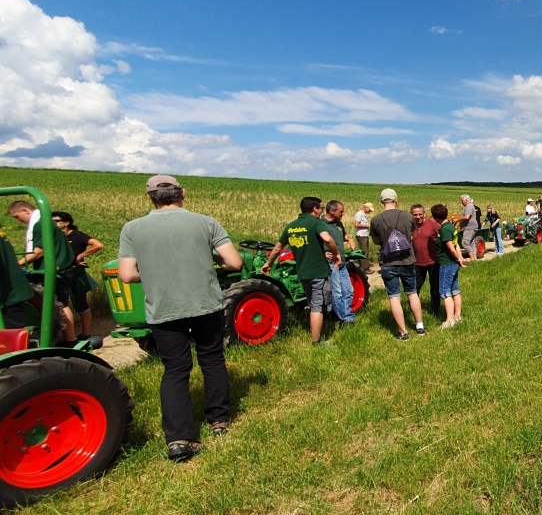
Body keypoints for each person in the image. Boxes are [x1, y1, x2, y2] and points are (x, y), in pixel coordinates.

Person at [117, 175, 243, 462]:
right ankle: (219, 421)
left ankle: (179, 439)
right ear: (182, 194)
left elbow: (126, 275)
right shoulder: (206, 222)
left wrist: (151, 274)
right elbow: (234, 262)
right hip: (204, 303)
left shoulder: (133, 228)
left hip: (163, 307)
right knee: (211, 359)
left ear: (149, 198)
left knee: (175, 369)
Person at [263, 196, 341, 346]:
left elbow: (278, 247)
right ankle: (316, 341)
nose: (321, 212)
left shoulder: (291, 226)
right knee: (317, 307)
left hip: (302, 272)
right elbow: (328, 239)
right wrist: (336, 254)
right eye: (321, 208)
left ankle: (315, 333)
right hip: (317, 271)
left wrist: (269, 264)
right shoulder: (316, 223)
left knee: (312, 303)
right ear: (314, 209)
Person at [7, 200, 77, 344]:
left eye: (17, 216)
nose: (17, 220)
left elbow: (38, 252)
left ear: (26, 211)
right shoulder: (45, 223)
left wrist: (15, 265)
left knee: (60, 305)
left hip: (56, 268)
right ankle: (68, 338)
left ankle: (70, 340)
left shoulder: (41, 224)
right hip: (59, 266)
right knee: (60, 303)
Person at [369, 188, 423, 339]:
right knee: (412, 293)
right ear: (396, 200)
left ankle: (403, 333)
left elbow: (375, 241)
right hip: (407, 260)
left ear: (381, 202)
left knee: (394, 297)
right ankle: (420, 326)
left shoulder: (376, 220)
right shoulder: (407, 216)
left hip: (388, 262)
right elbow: (411, 237)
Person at [51, 211, 104, 336]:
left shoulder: (76, 235)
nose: (53, 224)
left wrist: (80, 256)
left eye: (56, 221)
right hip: (60, 273)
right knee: (60, 304)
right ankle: (67, 334)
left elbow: (98, 244)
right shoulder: (54, 236)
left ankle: (85, 333)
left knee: (80, 303)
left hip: (76, 273)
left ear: (66, 222)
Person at [431, 203, 467, 328]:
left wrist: (458, 259)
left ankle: (449, 320)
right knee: (455, 290)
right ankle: (457, 316)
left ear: (436, 218)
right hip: (453, 263)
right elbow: (457, 245)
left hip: (447, 264)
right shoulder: (451, 227)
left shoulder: (445, 229)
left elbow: (451, 248)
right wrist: (461, 259)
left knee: (445, 292)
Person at [322, 200, 355, 325]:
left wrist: (350, 239)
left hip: (341, 262)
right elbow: (314, 243)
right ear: (332, 211)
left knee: (349, 291)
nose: (343, 214)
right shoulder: (321, 224)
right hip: (331, 263)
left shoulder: (339, 223)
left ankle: (347, 317)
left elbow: (343, 235)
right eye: (341, 211)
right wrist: (322, 253)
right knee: (337, 293)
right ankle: (340, 318)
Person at [410, 204, 442, 318]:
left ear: (424, 213)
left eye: (420, 214)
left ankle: (435, 311)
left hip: (433, 262)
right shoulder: (410, 226)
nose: (418, 217)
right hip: (417, 262)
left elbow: (442, 238)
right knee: (414, 289)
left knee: (435, 288)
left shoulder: (432, 224)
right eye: (415, 215)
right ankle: (414, 310)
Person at [457, 194, 482, 261]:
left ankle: (472, 258)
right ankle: (474, 259)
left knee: (465, 243)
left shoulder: (469, 206)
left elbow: (467, 217)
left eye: (462, 200)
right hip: (471, 226)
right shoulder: (470, 206)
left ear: (466, 200)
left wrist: (457, 220)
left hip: (469, 227)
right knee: (472, 243)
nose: (461, 202)